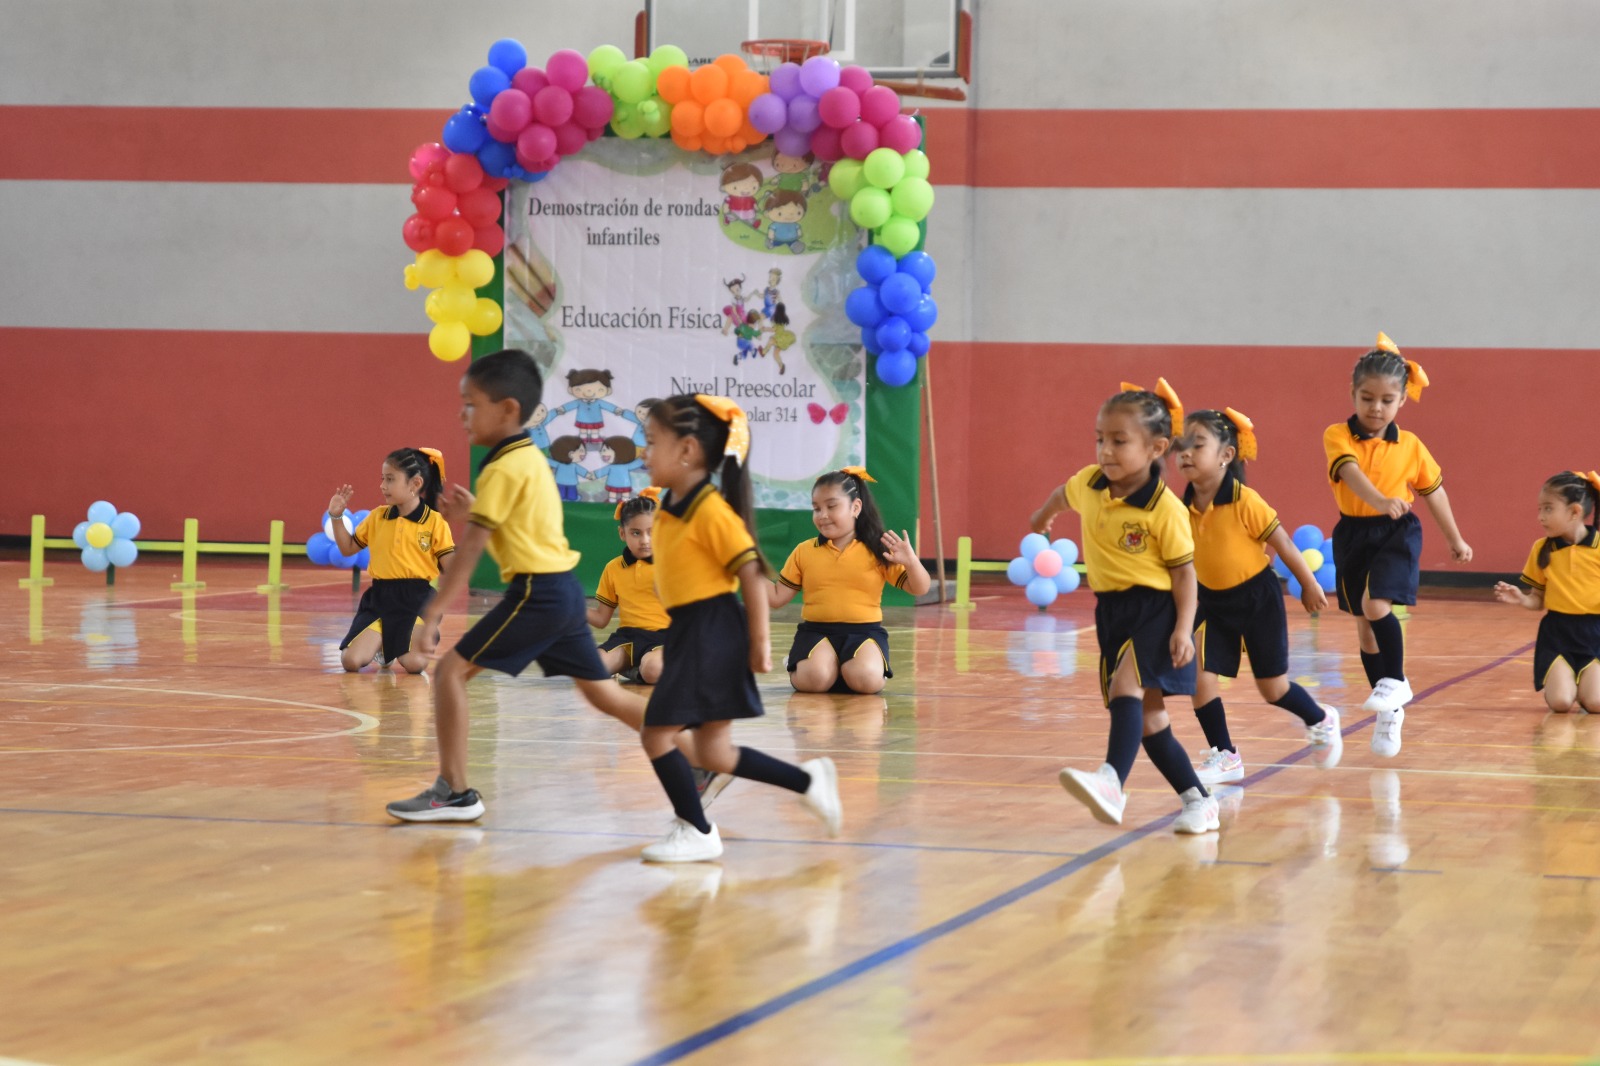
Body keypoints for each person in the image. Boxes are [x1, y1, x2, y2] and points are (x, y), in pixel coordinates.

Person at [384, 350, 697, 822]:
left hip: (539, 593)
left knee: (449, 673)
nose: (461, 414)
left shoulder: (503, 467)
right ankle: (698, 755)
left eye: (471, 404)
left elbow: (468, 554)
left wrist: (430, 615)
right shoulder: (526, 456)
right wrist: (471, 519)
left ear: (507, 409)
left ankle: (455, 792)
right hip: (562, 591)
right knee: (603, 695)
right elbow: (511, 535)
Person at [635, 394, 842, 862]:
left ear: (687, 450)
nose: (643, 453)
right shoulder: (670, 504)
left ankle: (697, 829)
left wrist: (760, 643)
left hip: (711, 632)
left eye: (651, 442)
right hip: (691, 629)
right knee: (714, 753)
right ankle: (808, 781)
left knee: (655, 734)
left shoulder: (710, 510)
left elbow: (751, 574)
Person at [1030, 379, 1219, 835]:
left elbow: (1184, 575)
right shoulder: (1090, 484)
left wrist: (1183, 630)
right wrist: (1042, 517)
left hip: (1160, 607)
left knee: (1124, 688)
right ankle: (1199, 801)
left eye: (1119, 441)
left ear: (1156, 448)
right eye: (1100, 439)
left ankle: (1112, 782)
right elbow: (1063, 493)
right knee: (1149, 720)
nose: (1106, 450)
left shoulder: (1165, 509)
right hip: (1111, 611)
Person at [1174, 407, 1343, 783]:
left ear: (1226, 455)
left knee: (1273, 688)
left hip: (1256, 599)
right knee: (1200, 679)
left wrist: (1309, 584)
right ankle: (1226, 754)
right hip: (1212, 602)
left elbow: (1282, 543)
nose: (1185, 452)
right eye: (1181, 445)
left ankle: (1320, 717)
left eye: (1197, 444)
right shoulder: (1179, 507)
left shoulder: (1245, 500)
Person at [1324, 332, 1472, 756]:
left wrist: (1455, 538)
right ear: (1353, 394)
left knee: (1376, 606)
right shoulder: (1337, 435)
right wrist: (1376, 499)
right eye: (1367, 397)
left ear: (1402, 401)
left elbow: (1433, 492)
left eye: (1386, 400)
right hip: (1353, 533)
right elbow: (1349, 472)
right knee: (1365, 631)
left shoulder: (1411, 447)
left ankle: (1399, 682)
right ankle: (1390, 712)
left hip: (1396, 533)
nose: (1375, 407)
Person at [768, 467, 930, 695]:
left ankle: (847, 669)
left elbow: (920, 588)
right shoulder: (804, 551)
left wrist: (912, 562)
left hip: (864, 634)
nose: (822, 515)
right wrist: (745, 568)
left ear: (855, 507)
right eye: (816, 508)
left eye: (831, 506)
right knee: (815, 680)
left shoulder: (878, 550)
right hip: (816, 632)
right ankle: (805, 666)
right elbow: (776, 597)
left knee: (866, 682)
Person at [327, 448, 454, 674]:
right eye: (382, 479)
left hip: (417, 601)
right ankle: (385, 648)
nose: (382, 486)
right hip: (380, 599)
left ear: (415, 484)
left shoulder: (434, 522)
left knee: (415, 665)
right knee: (351, 661)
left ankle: (412, 638)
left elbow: (452, 569)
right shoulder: (377, 517)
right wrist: (336, 516)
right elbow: (347, 548)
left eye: (390, 479)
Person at [1494, 471, 1600, 713]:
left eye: (1548, 509)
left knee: (1596, 703)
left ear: (1575, 511)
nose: (1541, 517)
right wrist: (1521, 599)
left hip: (1595, 634)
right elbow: (1538, 601)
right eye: (1540, 509)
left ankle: (1585, 686)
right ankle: (1567, 685)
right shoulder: (1541, 549)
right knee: (1561, 702)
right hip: (1557, 634)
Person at [589, 489, 670, 685]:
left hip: (665, 639)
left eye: (652, 532)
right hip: (627, 639)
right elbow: (601, 619)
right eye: (636, 533)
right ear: (622, 533)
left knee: (653, 670)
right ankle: (632, 666)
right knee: (591, 668)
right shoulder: (613, 568)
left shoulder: (672, 564)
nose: (645, 540)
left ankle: (637, 669)